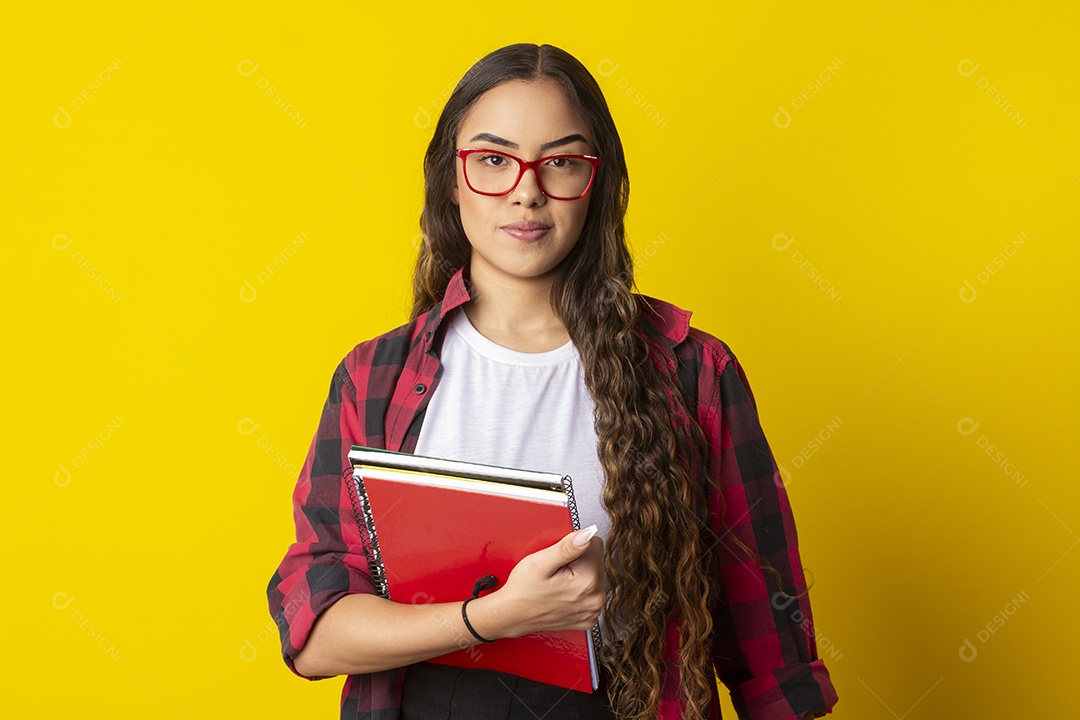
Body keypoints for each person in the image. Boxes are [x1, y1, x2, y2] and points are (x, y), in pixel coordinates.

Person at [267, 42, 838, 720]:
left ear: (598, 183)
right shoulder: (373, 379)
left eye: (561, 162)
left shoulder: (693, 372)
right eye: (493, 160)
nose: (526, 190)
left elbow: (774, 658)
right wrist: (494, 617)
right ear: (451, 179)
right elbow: (314, 634)